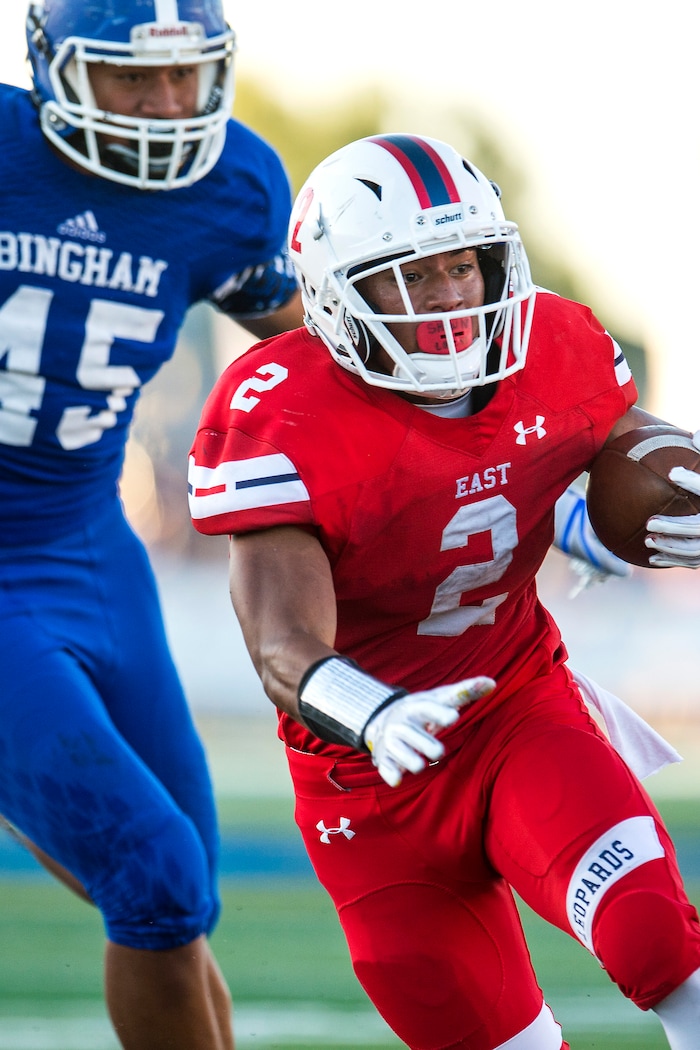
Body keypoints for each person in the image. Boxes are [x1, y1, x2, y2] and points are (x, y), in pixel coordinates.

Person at [188, 133, 700, 1050]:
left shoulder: (557, 345)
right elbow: (279, 644)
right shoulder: (282, 409)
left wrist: (626, 510)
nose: (453, 297)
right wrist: (374, 711)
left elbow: (606, 455)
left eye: (464, 266)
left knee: (660, 944)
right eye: (412, 276)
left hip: (516, 709)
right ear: (336, 293)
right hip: (365, 780)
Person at [0, 1, 304, 1047]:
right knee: (154, 875)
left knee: (184, 895)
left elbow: (315, 359)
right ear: (55, 70)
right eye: (132, 77)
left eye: (185, 75)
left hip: (88, 545)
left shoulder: (234, 187)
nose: (167, 106)